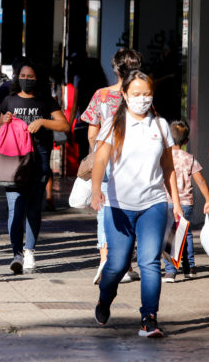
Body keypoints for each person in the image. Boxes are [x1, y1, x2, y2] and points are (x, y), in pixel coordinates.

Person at [90, 70, 182, 338]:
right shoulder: (113, 125)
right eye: (136, 94)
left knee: (150, 262)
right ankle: (105, 298)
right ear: (125, 95)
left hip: (153, 204)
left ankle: (149, 318)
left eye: (146, 94)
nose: (142, 99)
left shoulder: (161, 126)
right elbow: (99, 160)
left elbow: (168, 166)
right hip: (119, 206)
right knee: (117, 264)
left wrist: (175, 202)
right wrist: (96, 190)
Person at [0, 59, 70, 273]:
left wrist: (43, 122)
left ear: (37, 79)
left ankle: (29, 251)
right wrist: (6, 120)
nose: (26, 80)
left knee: (32, 208)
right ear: (17, 77)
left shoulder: (46, 101)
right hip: (14, 158)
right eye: (23, 76)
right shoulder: (9, 100)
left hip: (38, 157)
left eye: (30, 77)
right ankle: (16, 253)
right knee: (15, 208)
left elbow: (64, 124)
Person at [80, 48, 142, 285]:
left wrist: (98, 154)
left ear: (115, 69)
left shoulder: (102, 95)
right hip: (134, 161)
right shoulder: (141, 96)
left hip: (106, 159)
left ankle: (106, 259)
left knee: (105, 211)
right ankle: (124, 264)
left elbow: (92, 132)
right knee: (132, 210)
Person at [161, 120, 209, 283]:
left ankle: (170, 271)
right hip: (186, 203)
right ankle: (190, 268)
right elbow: (201, 181)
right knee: (186, 234)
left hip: (167, 201)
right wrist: (208, 200)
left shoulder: (163, 158)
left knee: (170, 235)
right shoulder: (189, 158)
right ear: (186, 141)